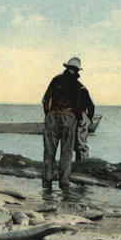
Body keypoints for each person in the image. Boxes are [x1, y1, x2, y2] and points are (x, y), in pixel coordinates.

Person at [41, 57, 88, 193]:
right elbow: (80, 107)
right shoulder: (78, 85)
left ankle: (47, 185)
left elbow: (45, 100)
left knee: (49, 153)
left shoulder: (56, 79)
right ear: (77, 70)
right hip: (69, 117)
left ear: (67, 67)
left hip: (52, 117)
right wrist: (78, 120)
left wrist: (48, 116)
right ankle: (64, 185)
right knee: (66, 153)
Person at [75, 85, 95, 162]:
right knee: (79, 143)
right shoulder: (80, 89)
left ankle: (83, 163)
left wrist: (87, 118)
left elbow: (91, 106)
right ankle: (80, 163)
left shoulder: (80, 90)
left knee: (80, 143)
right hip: (79, 117)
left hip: (80, 117)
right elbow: (91, 106)